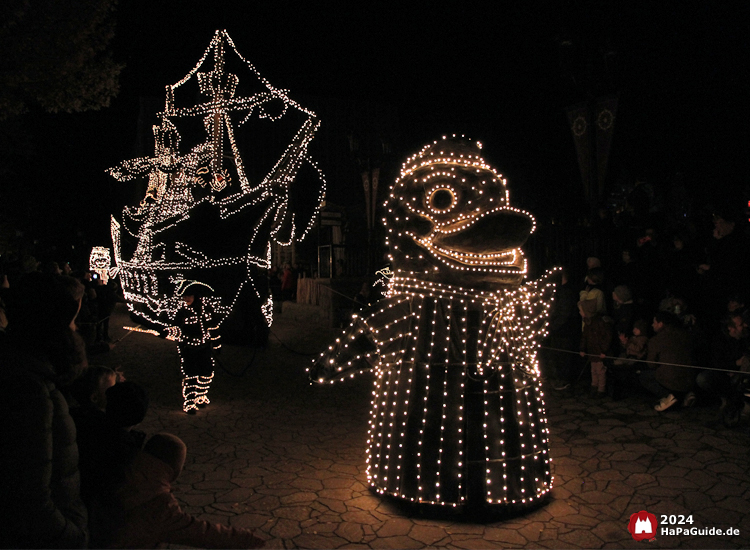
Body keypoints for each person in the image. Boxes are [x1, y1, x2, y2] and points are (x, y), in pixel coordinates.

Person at [0, 272, 89, 547]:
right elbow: (30, 496)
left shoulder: (28, 370)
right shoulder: (29, 390)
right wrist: (73, 536)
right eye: (72, 320)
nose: (76, 328)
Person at [110, 433, 265, 548]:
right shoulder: (154, 502)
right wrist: (244, 538)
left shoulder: (119, 466)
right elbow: (200, 532)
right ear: (172, 469)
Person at [164, 283, 218, 414]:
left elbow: (212, 326)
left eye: (189, 295)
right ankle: (189, 401)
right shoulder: (182, 312)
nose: (186, 298)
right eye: (184, 296)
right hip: (188, 348)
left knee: (207, 372)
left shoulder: (205, 309)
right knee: (191, 374)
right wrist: (171, 332)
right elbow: (176, 328)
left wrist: (216, 344)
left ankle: (201, 395)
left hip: (204, 346)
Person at [640, 311, 695, 411]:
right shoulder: (686, 334)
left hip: (672, 377)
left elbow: (651, 364)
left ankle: (669, 397)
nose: (652, 325)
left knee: (644, 376)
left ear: (661, 324)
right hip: (690, 377)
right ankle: (685, 395)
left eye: (654, 322)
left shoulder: (656, 340)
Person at [579, 298, 613, 398]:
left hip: (599, 352)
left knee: (600, 371)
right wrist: (582, 349)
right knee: (593, 370)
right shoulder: (587, 324)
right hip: (592, 351)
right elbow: (584, 337)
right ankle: (594, 386)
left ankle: (601, 389)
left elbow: (607, 338)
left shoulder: (600, 323)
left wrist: (603, 351)